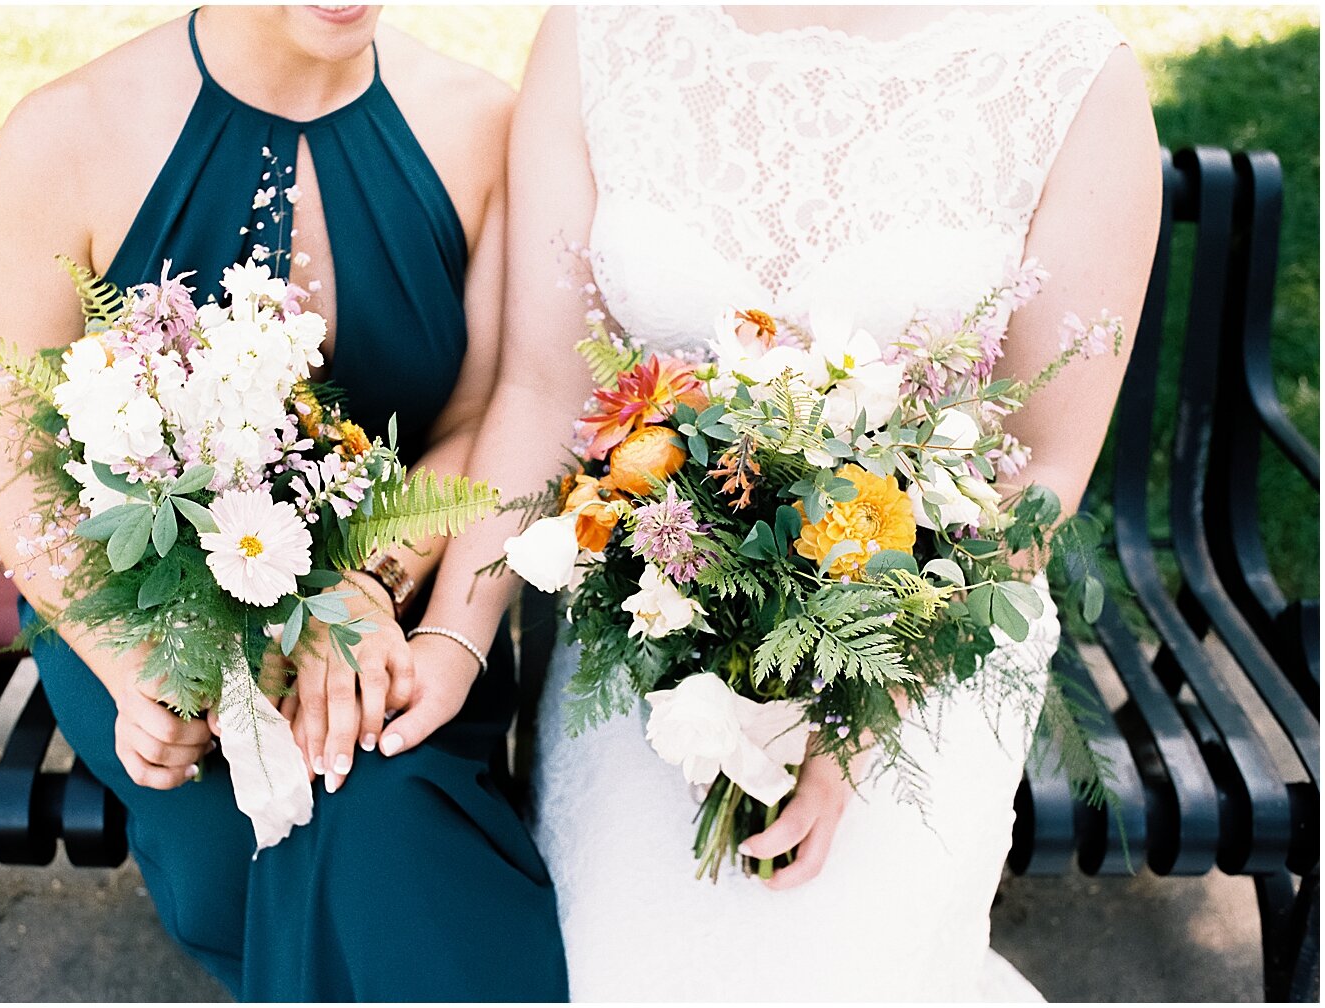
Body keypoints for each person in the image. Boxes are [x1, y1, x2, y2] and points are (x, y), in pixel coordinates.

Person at [392, 4, 1161, 1000]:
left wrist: (859, 717)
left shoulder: (1071, 73)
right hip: (649, 627)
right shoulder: (599, 32)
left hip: (924, 637)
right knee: (617, 970)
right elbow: (545, 389)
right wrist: (454, 641)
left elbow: (1039, 473)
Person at [0, 5, 566, 1000]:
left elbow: (475, 421)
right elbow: (14, 451)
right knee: (281, 808)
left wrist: (357, 587)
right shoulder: (66, 136)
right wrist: (133, 673)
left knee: (376, 794)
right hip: (151, 608)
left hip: (403, 592)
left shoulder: (479, 127)